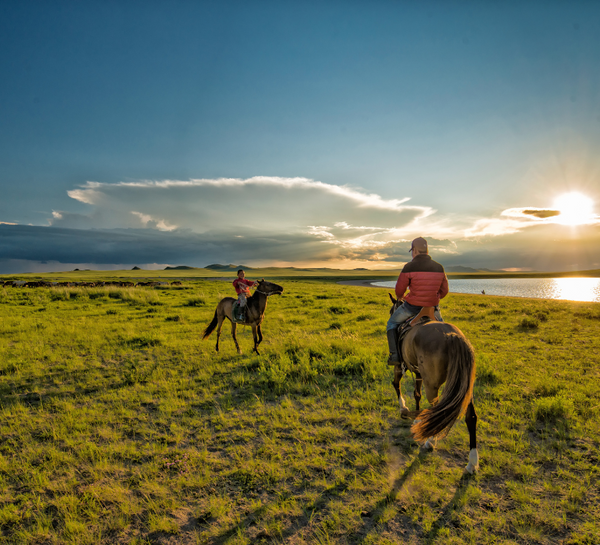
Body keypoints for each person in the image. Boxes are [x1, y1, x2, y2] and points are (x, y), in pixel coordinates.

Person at [386, 237, 449, 365]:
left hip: (411, 307)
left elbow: (399, 291)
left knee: (391, 324)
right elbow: (445, 291)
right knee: (446, 331)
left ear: (414, 250)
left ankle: (395, 357)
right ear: (426, 250)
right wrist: (434, 298)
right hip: (433, 308)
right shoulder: (439, 267)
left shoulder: (409, 267)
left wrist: (402, 297)